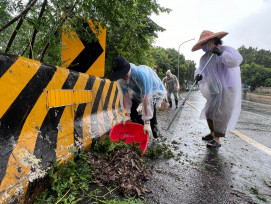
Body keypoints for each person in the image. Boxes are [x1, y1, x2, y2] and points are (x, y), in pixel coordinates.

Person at [192, 30, 243, 148]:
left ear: (213, 41)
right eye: (202, 44)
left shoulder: (226, 50)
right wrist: (198, 76)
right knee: (209, 111)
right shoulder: (205, 58)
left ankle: (217, 139)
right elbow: (201, 70)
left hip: (228, 88)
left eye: (205, 43)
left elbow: (236, 61)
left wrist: (221, 53)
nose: (204, 47)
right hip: (214, 89)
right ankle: (212, 133)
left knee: (222, 113)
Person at [109, 56, 166, 138]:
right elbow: (125, 97)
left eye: (124, 74)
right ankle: (139, 128)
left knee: (151, 108)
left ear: (128, 69)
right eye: (121, 75)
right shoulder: (122, 80)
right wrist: (127, 115)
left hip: (154, 90)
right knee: (132, 109)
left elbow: (147, 99)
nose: (123, 77)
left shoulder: (141, 74)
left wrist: (147, 121)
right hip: (138, 92)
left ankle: (154, 125)